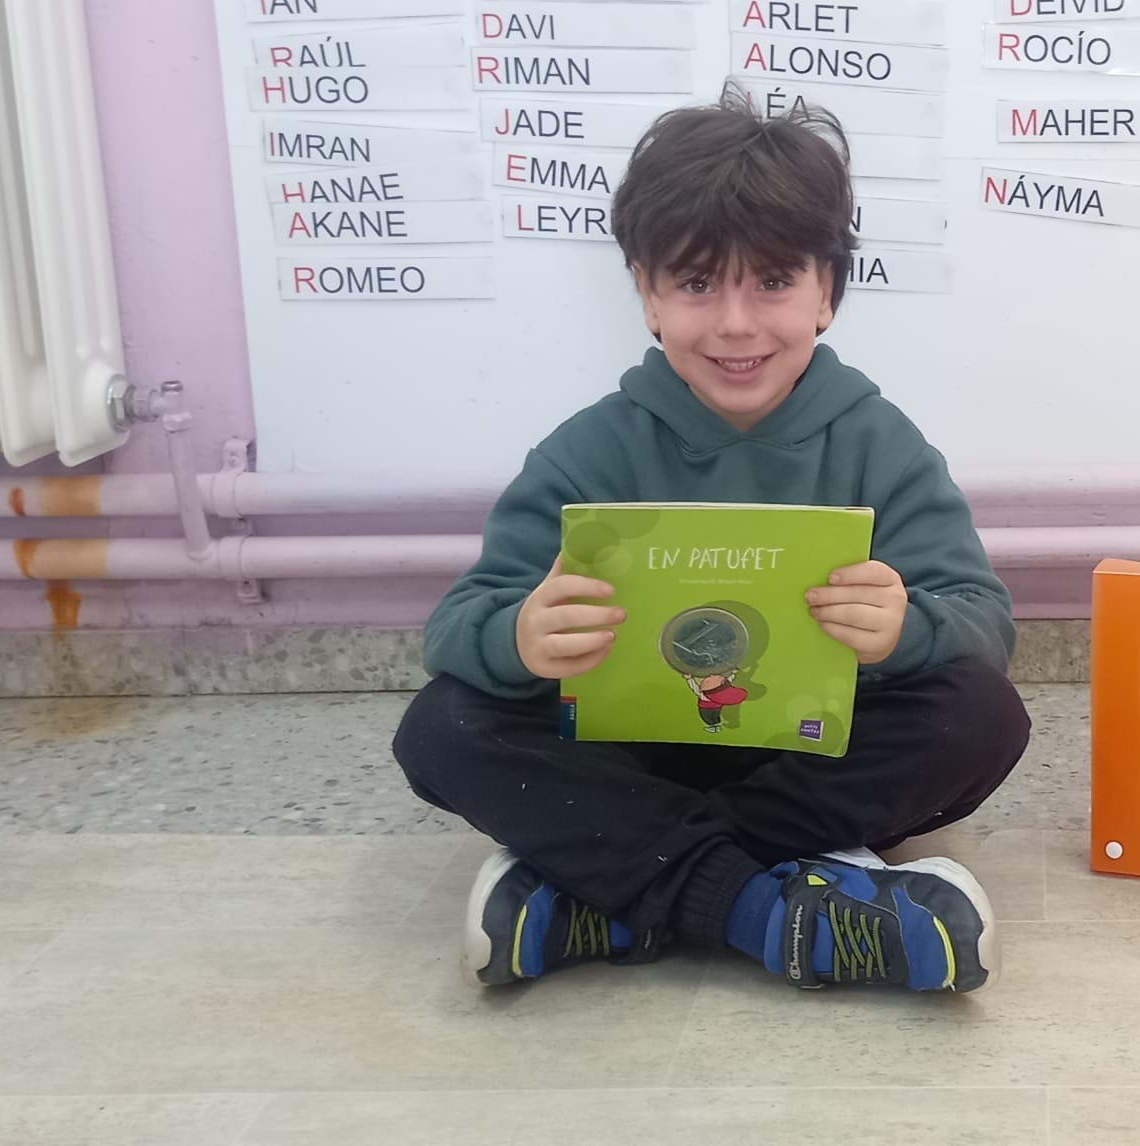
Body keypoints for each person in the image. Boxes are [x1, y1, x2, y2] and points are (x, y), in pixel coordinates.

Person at [391, 88, 1030, 995]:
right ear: (647, 296)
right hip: (629, 757)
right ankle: (761, 907)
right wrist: (522, 636)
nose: (735, 323)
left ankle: (609, 888)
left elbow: (983, 623)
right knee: (443, 728)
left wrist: (906, 627)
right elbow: (457, 625)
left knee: (981, 714)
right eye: (696, 284)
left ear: (826, 293)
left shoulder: (878, 444)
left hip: (804, 757)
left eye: (772, 282)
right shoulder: (589, 450)